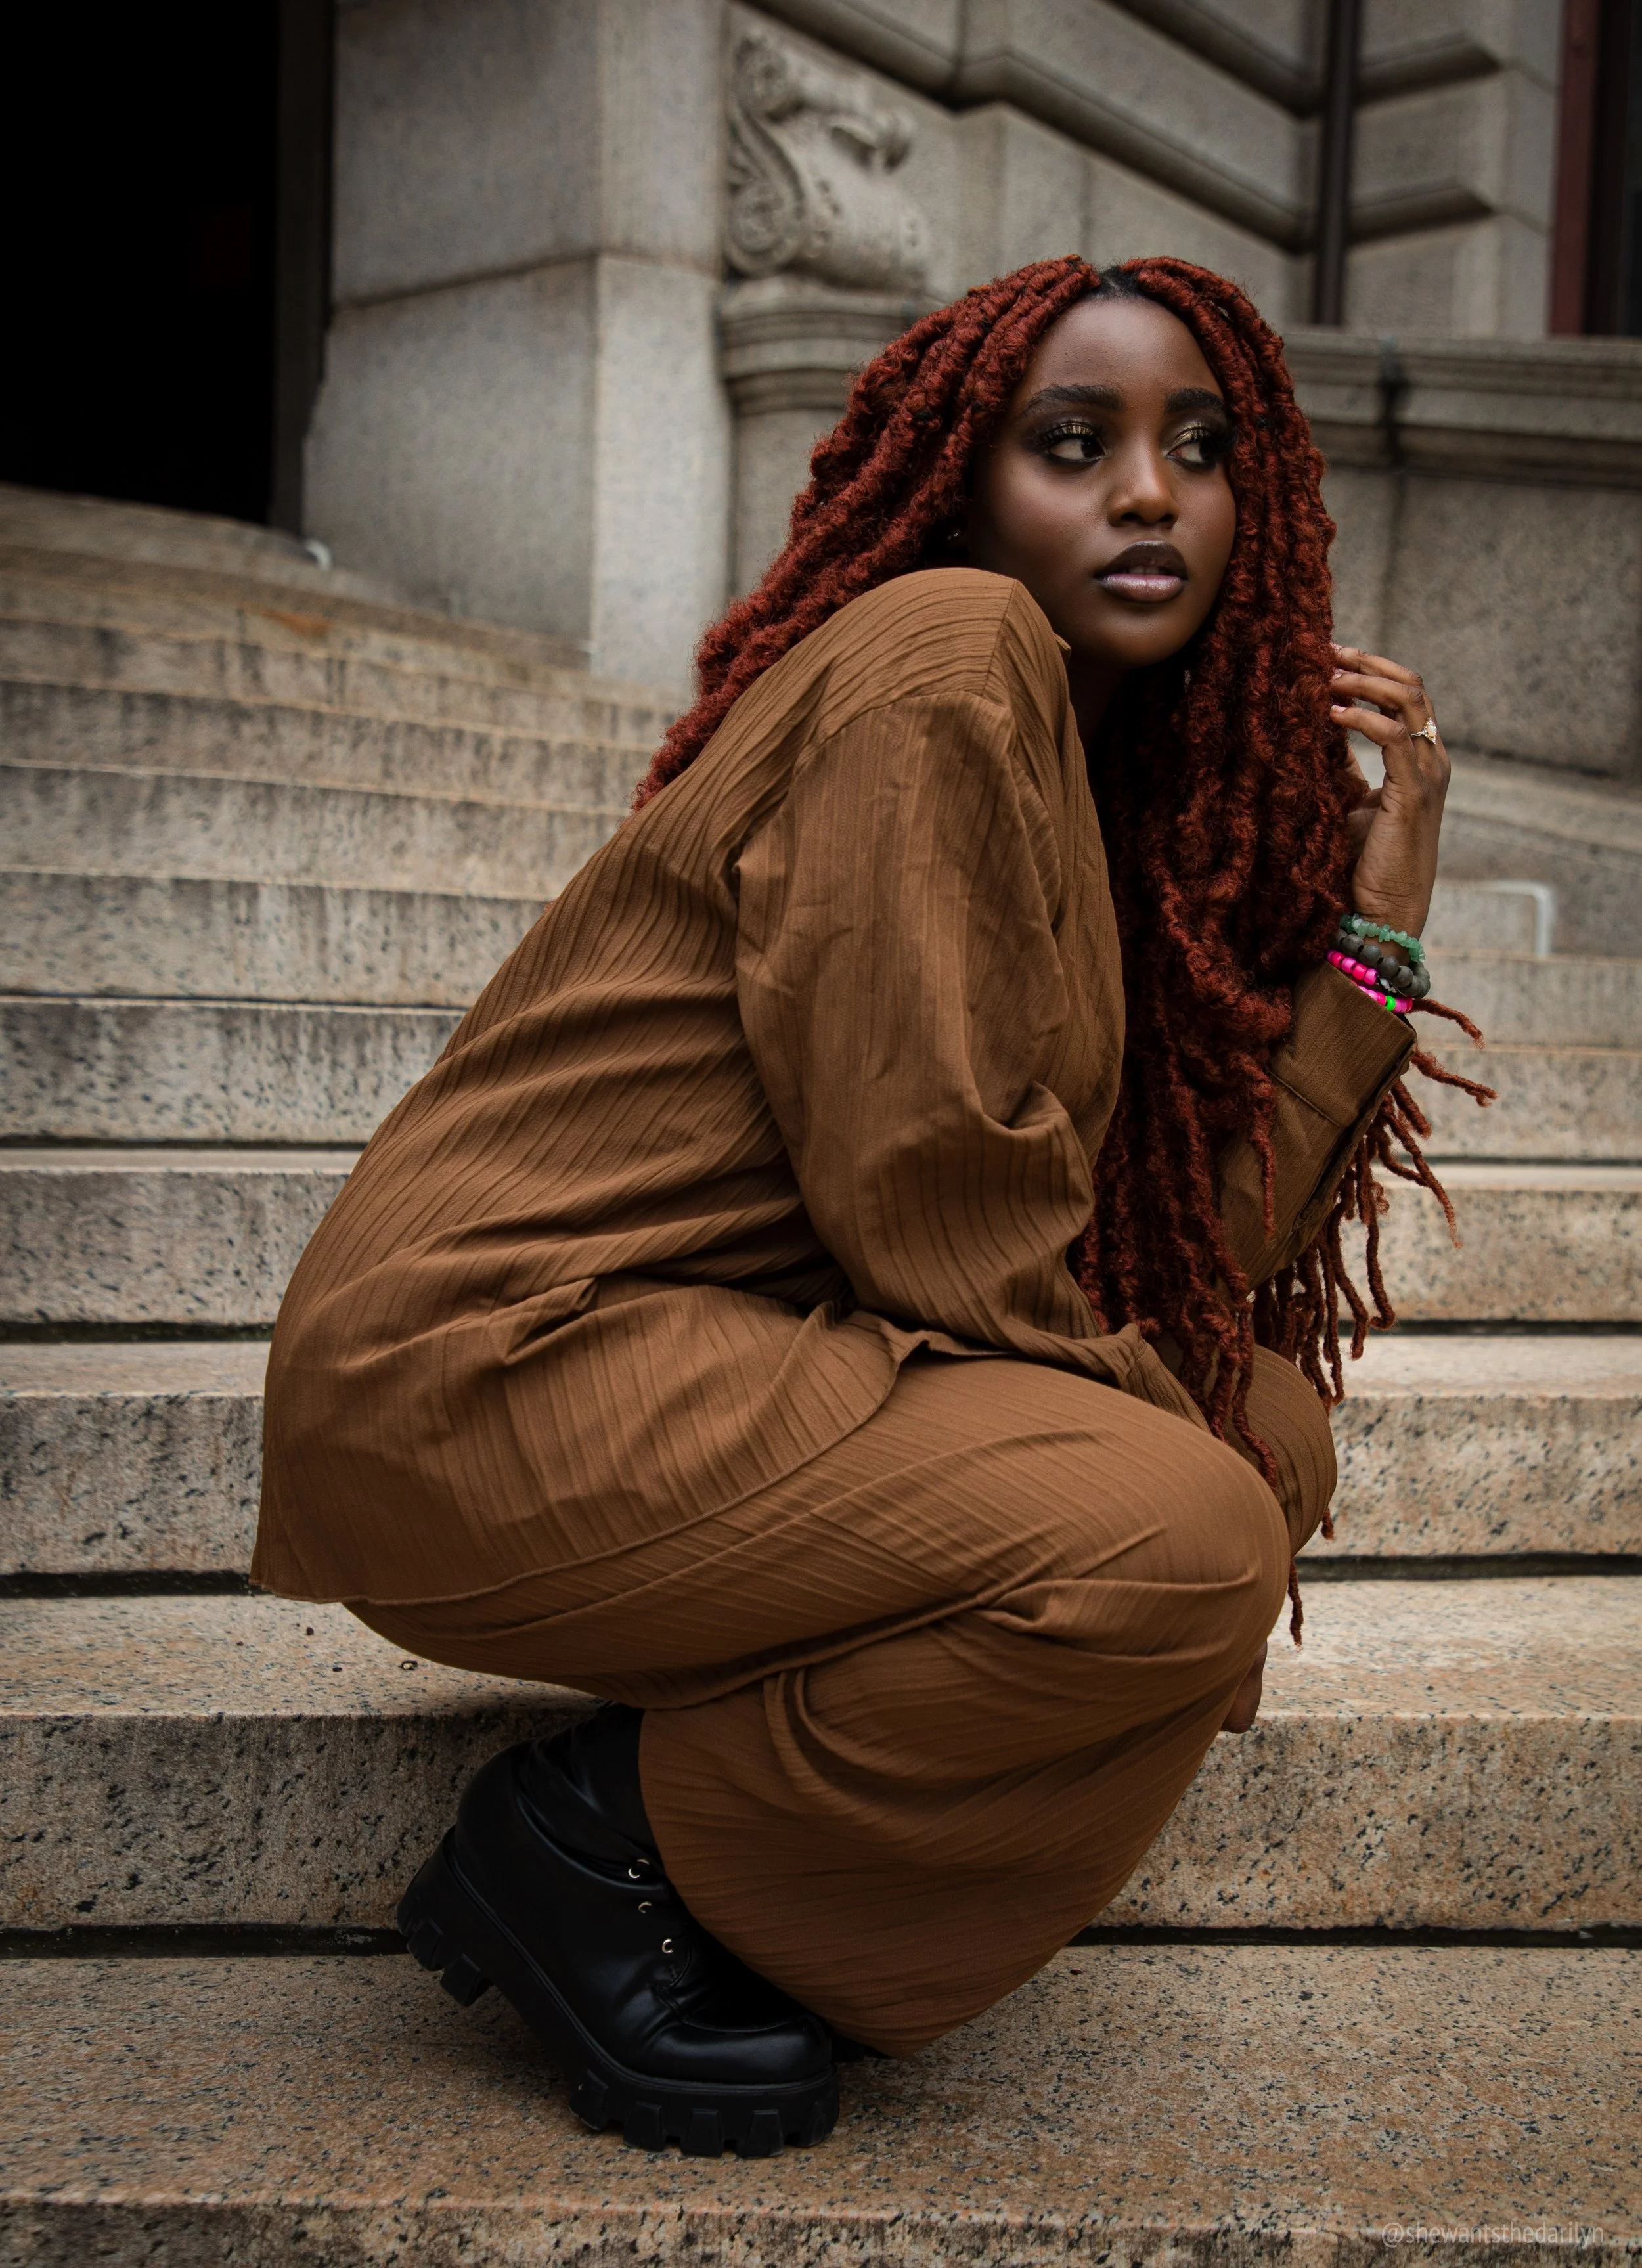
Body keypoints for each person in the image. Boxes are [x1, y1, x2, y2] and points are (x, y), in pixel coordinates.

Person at [253, 256, 1473, 2156]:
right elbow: (939, 1203)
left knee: (1257, 1439)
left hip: (686, 1373)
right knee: (1189, 1522)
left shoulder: (1074, 771)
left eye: (1198, 449)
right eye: (1072, 447)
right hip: (497, 1365)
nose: (1148, 494)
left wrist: (1374, 924)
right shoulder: (943, 656)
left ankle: (743, 1879)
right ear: (967, 485)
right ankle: (599, 1846)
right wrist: (1183, 1512)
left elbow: (1185, 1257)